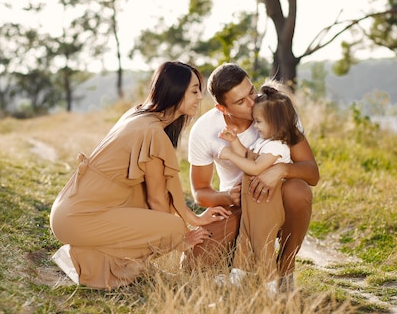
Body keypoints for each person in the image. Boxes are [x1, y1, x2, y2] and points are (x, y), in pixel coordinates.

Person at [49, 61, 231, 290]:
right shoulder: (152, 132)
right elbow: (157, 201)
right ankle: (83, 261)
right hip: (79, 217)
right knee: (171, 227)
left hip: (70, 210)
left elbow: (159, 192)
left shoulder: (138, 114)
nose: (199, 98)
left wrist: (194, 219)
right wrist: (181, 238)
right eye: (194, 91)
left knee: (144, 198)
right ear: (175, 91)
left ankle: (91, 257)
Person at [187, 63, 319, 291]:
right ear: (222, 108)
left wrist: (283, 170)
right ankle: (236, 260)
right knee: (193, 265)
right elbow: (200, 192)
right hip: (238, 207)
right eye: (240, 102)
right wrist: (228, 197)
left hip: (276, 200)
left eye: (251, 91)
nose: (252, 103)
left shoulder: (277, 111)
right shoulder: (205, 129)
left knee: (298, 190)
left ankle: (285, 267)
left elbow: (312, 173)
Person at [217, 83, 305, 288]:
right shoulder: (264, 142)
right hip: (253, 204)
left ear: (275, 124)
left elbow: (255, 168)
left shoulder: (277, 147)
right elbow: (246, 156)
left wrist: (229, 155)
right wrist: (233, 141)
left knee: (261, 244)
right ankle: (238, 277)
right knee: (245, 240)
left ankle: (271, 284)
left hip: (265, 205)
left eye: (258, 122)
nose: (255, 126)